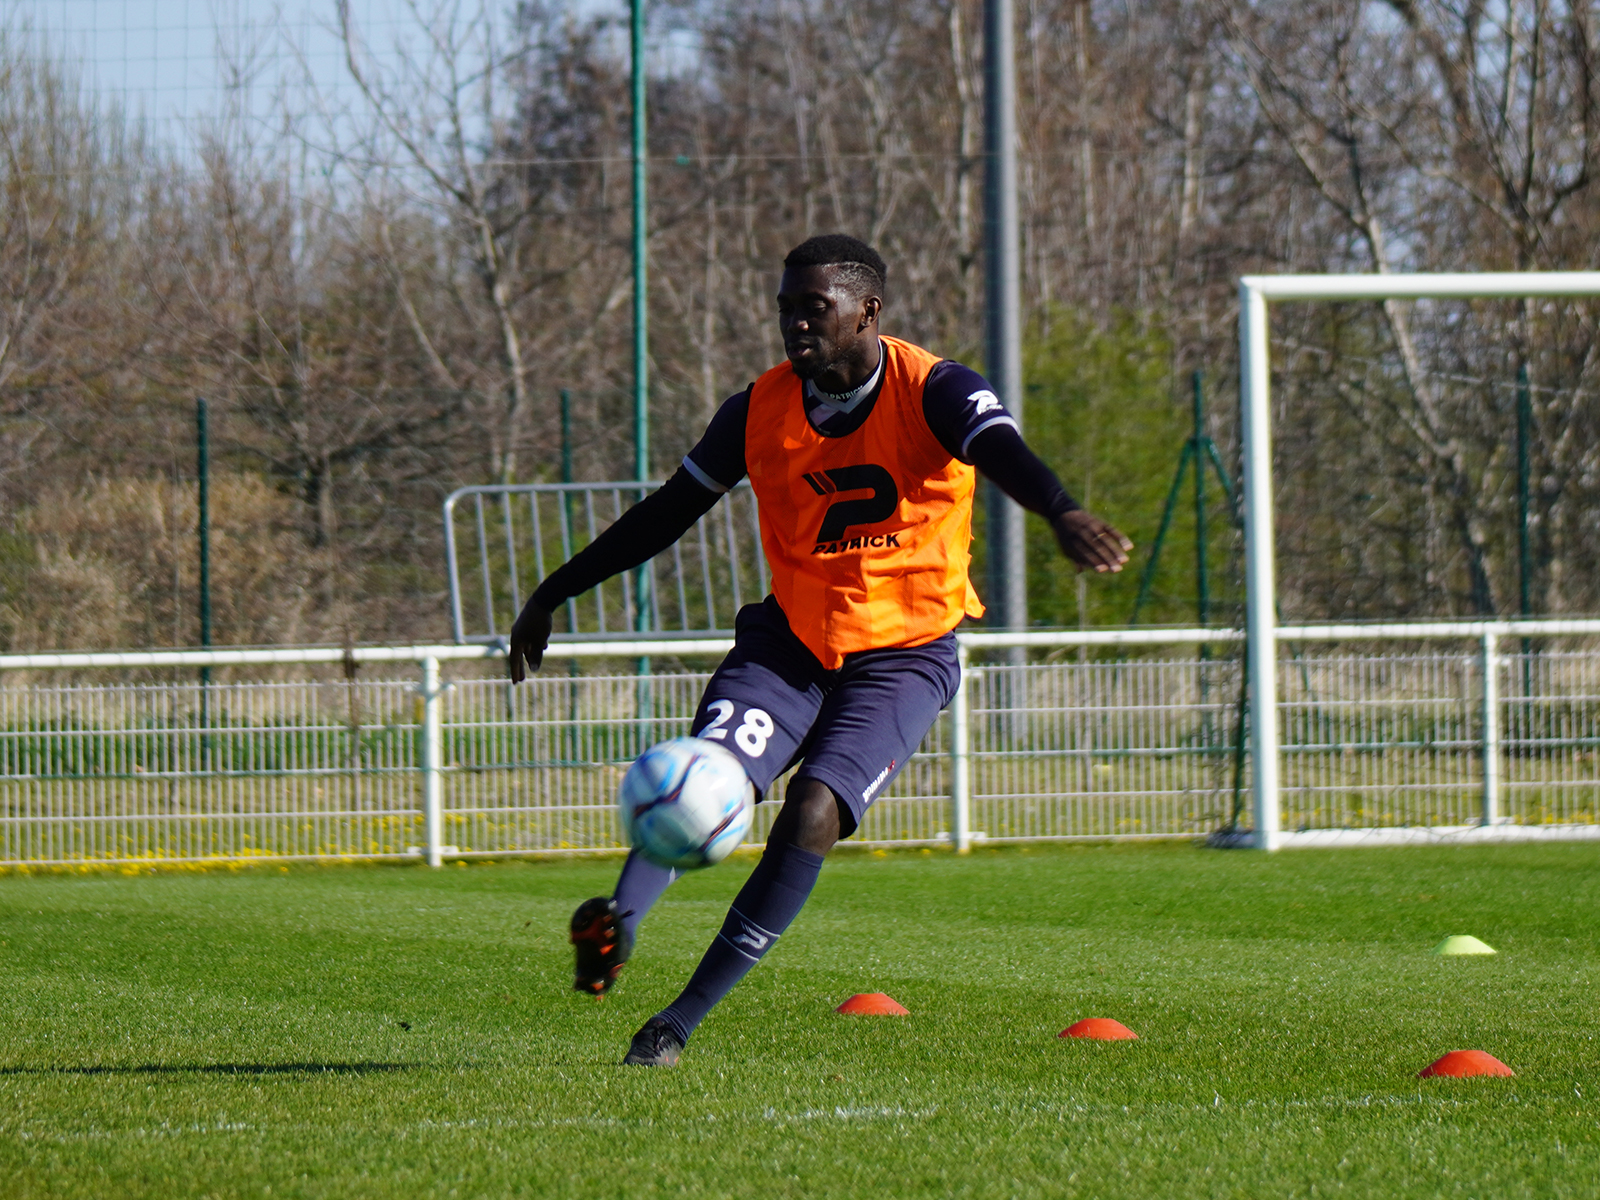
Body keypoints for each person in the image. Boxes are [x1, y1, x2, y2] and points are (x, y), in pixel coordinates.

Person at [507, 234, 1131, 1067]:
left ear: (868, 311)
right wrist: (553, 591)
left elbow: (1002, 452)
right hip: (791, 642)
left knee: (811, 814)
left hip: (905, 654)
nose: (795, 323)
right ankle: (615, 928)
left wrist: (1060, 509)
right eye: (785, 308)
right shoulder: (756, 409)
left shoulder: (936, 389)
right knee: (706, 776)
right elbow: (665, 513)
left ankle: (674, 1024)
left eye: (815, 307)